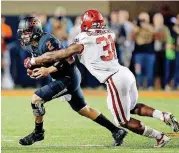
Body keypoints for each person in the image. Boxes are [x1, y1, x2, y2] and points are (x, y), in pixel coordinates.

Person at [29, 10, 179, 148]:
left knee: (122, 121)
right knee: (131, 107)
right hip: (124, 72)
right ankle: (163, 115)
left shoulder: (84, 38)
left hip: (114, 79)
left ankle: (159, 137)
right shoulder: (109, 33)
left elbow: (61, 54)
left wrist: (35, 61)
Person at [17, 16, 127, 146]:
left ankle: (38, 133)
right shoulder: (34, 45)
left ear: (35, 31)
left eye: (26, 32)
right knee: (84, 110)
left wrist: (48, 70)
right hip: (65, 77)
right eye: (23, 33)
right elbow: (45, 61)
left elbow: (66, 58)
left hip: (68, 77)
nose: (24, 36)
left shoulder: (48, 40)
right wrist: (34, 70)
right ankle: (116, 131)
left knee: (36, 99)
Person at [132, 12, 155, 89]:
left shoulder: (151, 26)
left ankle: (150, 86)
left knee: (150, 71)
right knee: (138, 71)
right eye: (142, 18)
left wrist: (146, 26)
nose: (143, 20)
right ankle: (139, 86)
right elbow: (131, 37)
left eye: (145, 18)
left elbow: (155, 33)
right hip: (138, 53)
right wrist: (138, 27)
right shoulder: (136, 27)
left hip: (150, 53)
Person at [153, 13, 172, 89]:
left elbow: (168, 39)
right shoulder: (152, 27)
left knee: (164, 68)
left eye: (157, 19)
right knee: (156, 69)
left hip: (162, 51)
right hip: (154, 51)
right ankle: (156, 85)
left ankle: (165, 85)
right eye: (155, 19)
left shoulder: (165, 28)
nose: (156, 20)